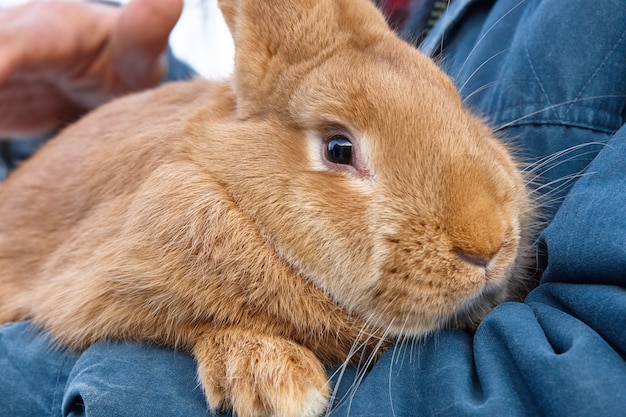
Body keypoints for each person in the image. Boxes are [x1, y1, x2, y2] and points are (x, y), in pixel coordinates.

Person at [1, 0, 625, 416]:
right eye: (339, 149)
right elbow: (88, 290)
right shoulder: (189, 216)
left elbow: (590, 370)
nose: (484, 238)